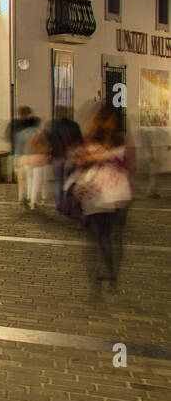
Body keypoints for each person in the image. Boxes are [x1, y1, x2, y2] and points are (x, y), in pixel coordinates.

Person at [73, 103, 132, 290]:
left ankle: (112, 273)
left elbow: (129, 164)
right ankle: (107, 271)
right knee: (101, 235)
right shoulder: (91, 139)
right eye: (107, 119)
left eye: (112, 120)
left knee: (114, 236)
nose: (109, 123)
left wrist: (107, 158)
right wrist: (94, 158)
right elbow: (81, 161)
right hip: (96, 193)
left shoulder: (119, 140)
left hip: (118, 192)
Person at [46, 107, 84, 212]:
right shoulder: (74, 125)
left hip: (57, 156)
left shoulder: (52, 126)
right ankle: (68, 204)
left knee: (58, 181)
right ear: (66, 113)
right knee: (69, 181)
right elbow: (80, 141)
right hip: (70, 157)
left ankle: (59, 205)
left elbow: (48, 140)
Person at [12, 110, 43, 207]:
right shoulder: (38, 133)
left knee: (28, 179)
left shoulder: (21, 133)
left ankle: (27, 196)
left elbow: (18, 147)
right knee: (36, 181)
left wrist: (18, 159)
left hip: (24, 158)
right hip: (36, 158)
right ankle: (33, 201)